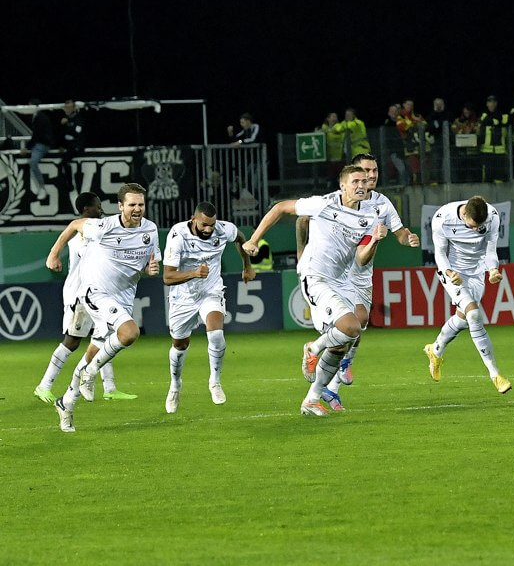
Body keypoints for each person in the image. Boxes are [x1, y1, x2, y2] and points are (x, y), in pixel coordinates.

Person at [242, 166, 387, 416]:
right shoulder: (323, 204)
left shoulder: (371, 218)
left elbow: (361, 259)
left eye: (365, 181)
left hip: (342, 281)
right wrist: (254, 240)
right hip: (316, 275)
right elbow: (280, 208)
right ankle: (312, 348)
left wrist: (374, 240)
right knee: (351, 327)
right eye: (355, 181)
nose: (362, 185)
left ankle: (311, 400)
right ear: (342, 186)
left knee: (344, 342)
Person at [297, 153, 420, 407]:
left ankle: (335, 378)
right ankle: (327, 377)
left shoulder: (382, 204)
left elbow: (398, 232)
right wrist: (302, 255)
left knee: (358, 324)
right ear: (354, 175)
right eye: (365, 171)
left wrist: (407, 238)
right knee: (350, 327)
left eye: (374, 171)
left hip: (361, 273)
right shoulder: (337, 201)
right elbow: (301, 220)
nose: (371, 176)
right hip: (336, 274)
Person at [45, 183, 161, 432]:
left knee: (92, 352)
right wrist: (53, 254)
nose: (137, 209)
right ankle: (91, 371)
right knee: (130, 333)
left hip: (123, 299)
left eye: (141, 204)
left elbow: (146, 266)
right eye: (132, 204)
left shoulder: (150, 230)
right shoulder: (105, 226)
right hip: (96, 293)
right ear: (120, 206)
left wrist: (150, 270)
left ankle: (66, 402)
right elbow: (75, 225)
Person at [34, 192, 137, 404]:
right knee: (72, 342)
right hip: (79, 294)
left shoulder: (97, 230)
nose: (101, 209)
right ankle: (44, 386)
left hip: (96, 293)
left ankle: (109, 387)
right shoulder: (84, 233)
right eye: (97, 206)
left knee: (105, 336)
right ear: (86, 210)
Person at [162, 202, 256, 413]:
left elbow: (240, 237)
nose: (208, 229)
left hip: (211, 292)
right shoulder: (178, 235)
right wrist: (194, 272)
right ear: (193, 219)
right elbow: (167, 277)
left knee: (216, 334)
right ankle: (175, 385)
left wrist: (247, 266)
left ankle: (214, 381)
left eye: (211, 225)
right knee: (179, 345)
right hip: (182, 298)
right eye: (204, 225)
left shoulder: (223, 229)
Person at [423, 196, 511, 394]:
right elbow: (440, 253)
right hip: (453, 272)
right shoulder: (443, 218)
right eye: (472, 226)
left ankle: (435, 349)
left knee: (463, 320)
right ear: (464, 214)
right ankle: (495, 374)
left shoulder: (492, 217)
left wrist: (493, 270)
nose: (475, 230)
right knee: (473, 314)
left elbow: (490, 249)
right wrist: (449, 272)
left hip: (478, 271)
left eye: (478, 227)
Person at [22, 99, 54, 200]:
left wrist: (27, 148)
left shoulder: (40, 118)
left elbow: (37, 135)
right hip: (40, 143)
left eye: (29, 106)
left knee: (33, 162)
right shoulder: (37, 117)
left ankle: (42, 188)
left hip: (42, 144)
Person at [59, 99, 85, 189]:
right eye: (66, 108)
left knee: (65, 161)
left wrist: (68, 125)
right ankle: (66, 183)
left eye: (69, 108)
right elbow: (61, 134)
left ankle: (70, 184)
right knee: (63, 161)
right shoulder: (64, 119)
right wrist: (61, 145)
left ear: (73, 108)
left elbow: (77, 132)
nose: (67, 110)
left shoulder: (78, 118)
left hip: (77, 146)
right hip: (68, 146)